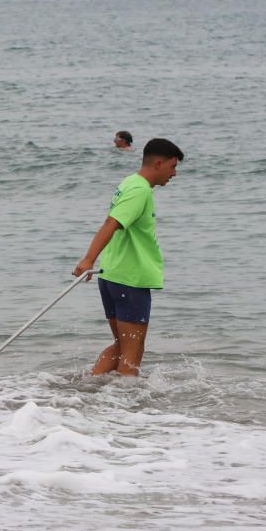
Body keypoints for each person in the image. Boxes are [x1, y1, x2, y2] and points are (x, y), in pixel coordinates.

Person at [72, 138, 184, 376]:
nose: (174, 174)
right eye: (173, 167)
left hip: (112, 275)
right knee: (133, 350)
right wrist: (88, 259)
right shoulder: (139, 190)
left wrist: (92, 261)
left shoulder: (130, 182)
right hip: (129, 279)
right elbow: (112, 223)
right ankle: (128, 405)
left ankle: (89, 390)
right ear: (158, 163)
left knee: (122, 345)